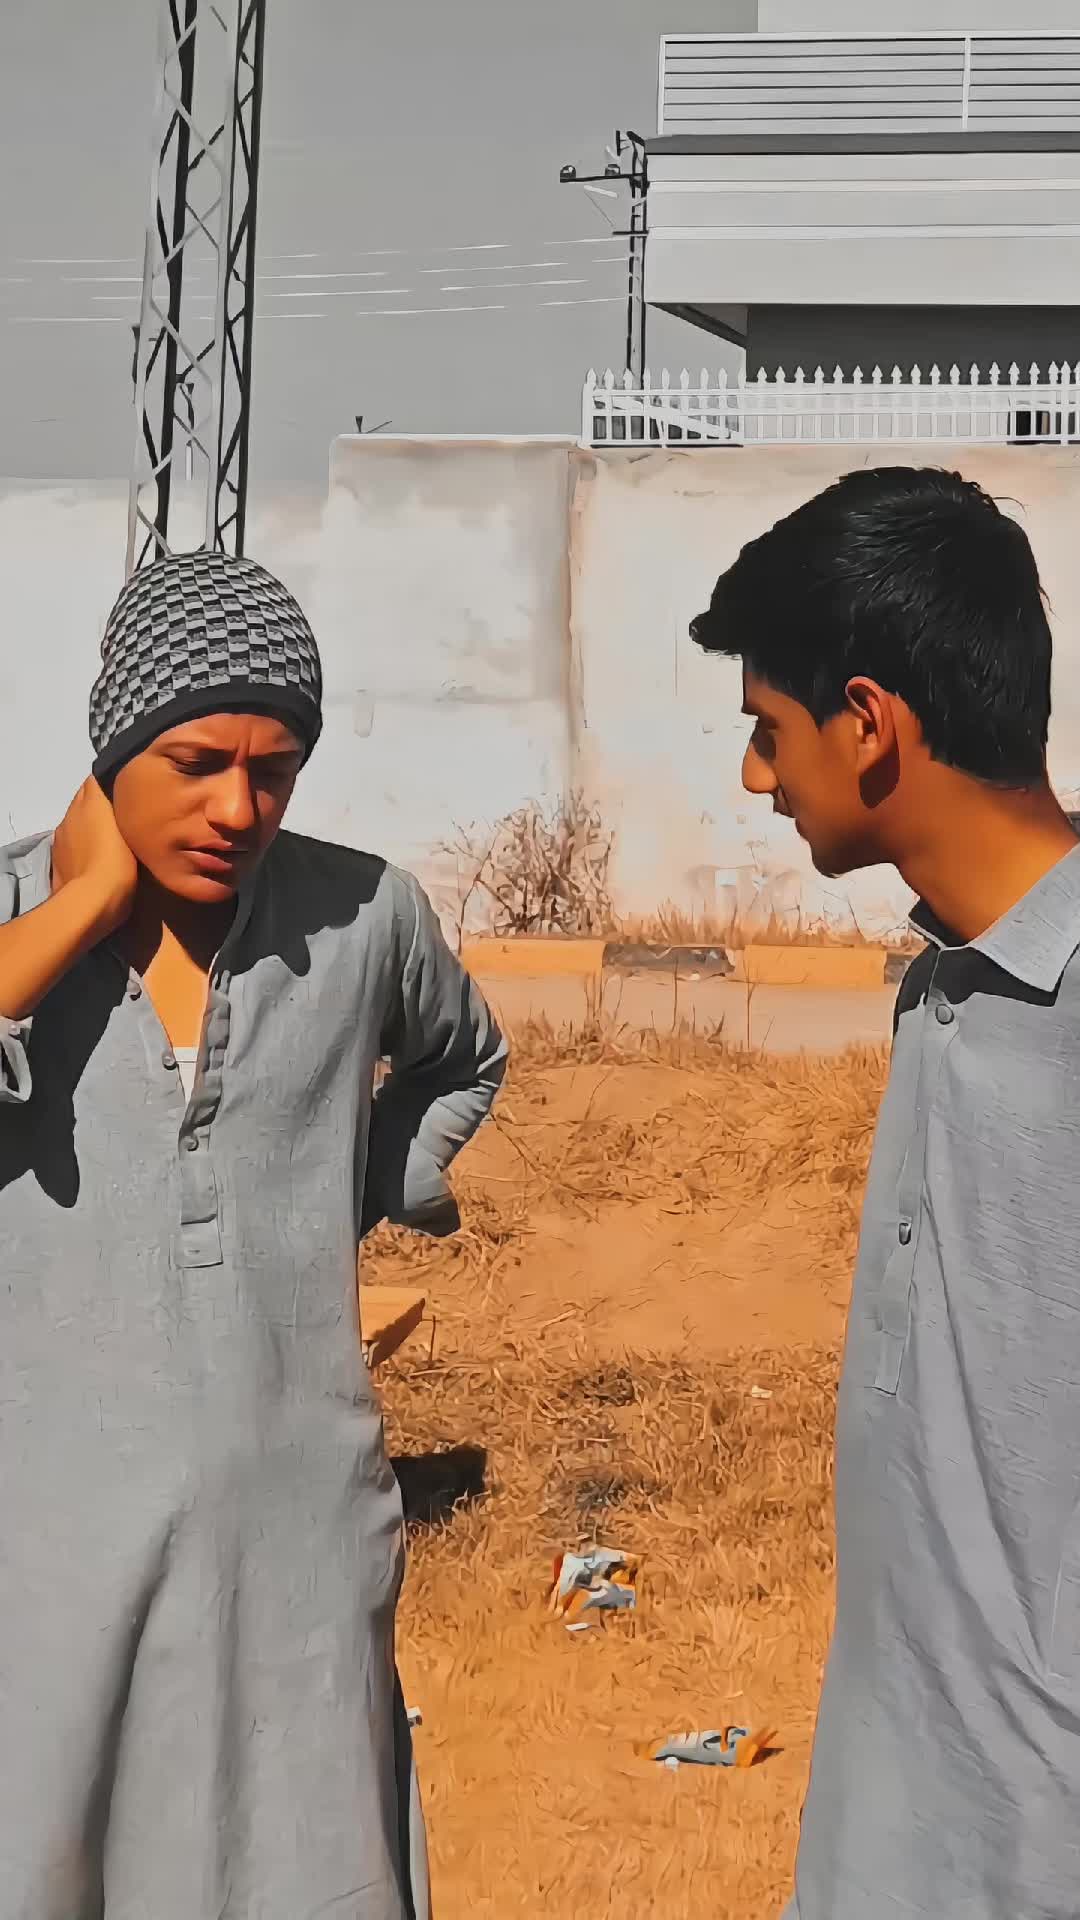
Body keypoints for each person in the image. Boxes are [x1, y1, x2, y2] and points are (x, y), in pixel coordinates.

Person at [0, 550, 507, 1918]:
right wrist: (84, 906)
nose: (239, 808)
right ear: (113, 750)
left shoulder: (362, 916)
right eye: (195, 762)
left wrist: (369, 1185)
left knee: (293, 1858)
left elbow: (464, 1055)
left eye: (274, 770)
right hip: (47, 1540)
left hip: (295, 1525)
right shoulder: (17, 915)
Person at [692, 466, 1080, 1920]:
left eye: (768, 729)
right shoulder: (946, 986)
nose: (756, 777)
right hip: (900, 1825)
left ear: (867, 723)